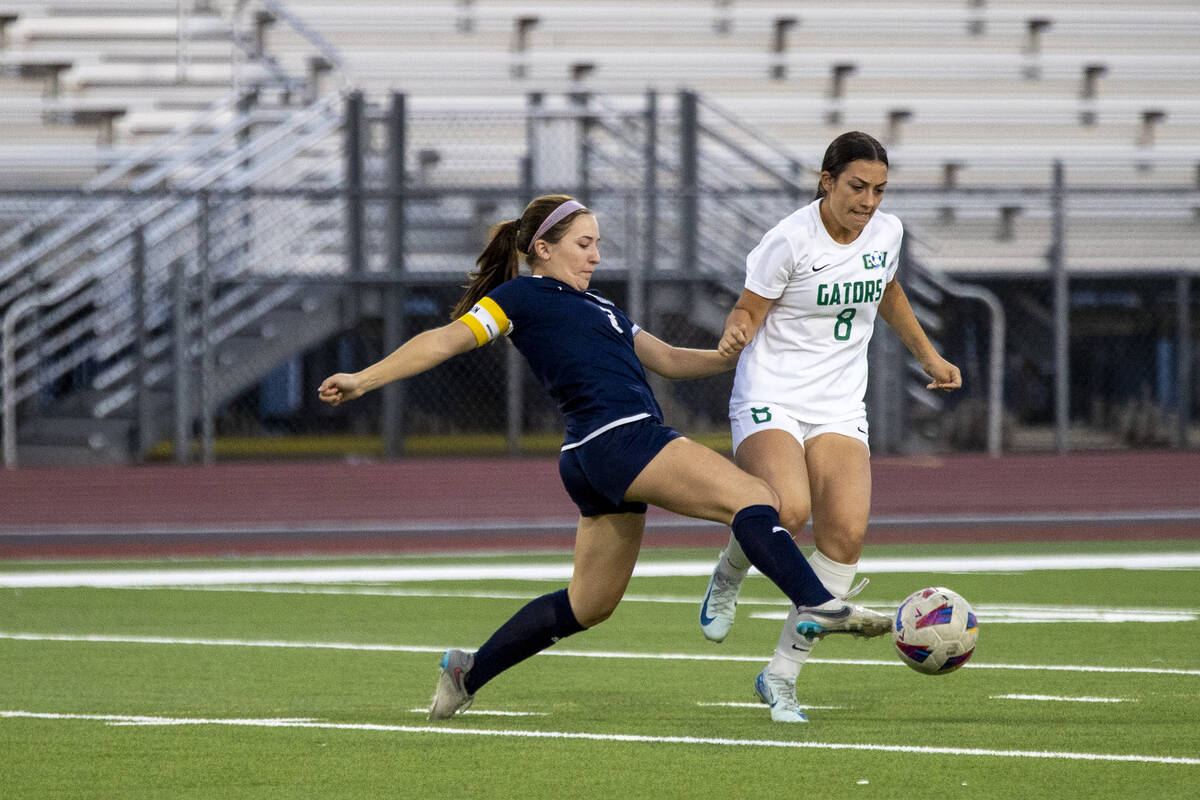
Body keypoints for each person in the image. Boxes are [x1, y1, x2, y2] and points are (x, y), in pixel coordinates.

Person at [318, 193, 891, 720]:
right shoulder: (520, 296)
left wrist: (735, 356)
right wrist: (364, 379)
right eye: (583, 244)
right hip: (622, 438)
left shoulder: (601, 307)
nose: (595, 255)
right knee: (757, 498)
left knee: (588, 606)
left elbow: (665, 358)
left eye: (597, 244)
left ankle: (468, 673)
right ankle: (818, 603)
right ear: (542, 249)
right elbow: (445, 339)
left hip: (590, 459)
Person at [699, 132, 962, 722]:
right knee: (786, 513)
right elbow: (749, 307)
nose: (868, 201)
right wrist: (736, 329)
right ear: (827, 182)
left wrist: (927, 355)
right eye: (857, 187)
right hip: (771, 393)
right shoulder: (789, 239)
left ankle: (781, 675)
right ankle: (728, 572)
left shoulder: (887, 233)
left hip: (840, 403)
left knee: (843, 538)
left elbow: (887, 289)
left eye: (879, 190)